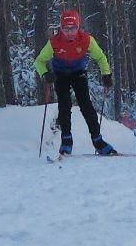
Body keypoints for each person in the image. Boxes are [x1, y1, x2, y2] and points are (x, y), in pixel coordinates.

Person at [34, 8, 118, 157]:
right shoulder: (54, 42)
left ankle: (98, 141)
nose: (70, 32)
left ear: (78, 27)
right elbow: (39, 61)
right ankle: (66, 142)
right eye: (66, 29)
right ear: (61, 28)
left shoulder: (86, 40)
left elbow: (100, 57)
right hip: (60, 75)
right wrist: (45, 74)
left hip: (78, 73)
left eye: (73, 28)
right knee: (64, 106)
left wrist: (106, 74)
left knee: (86, 106)